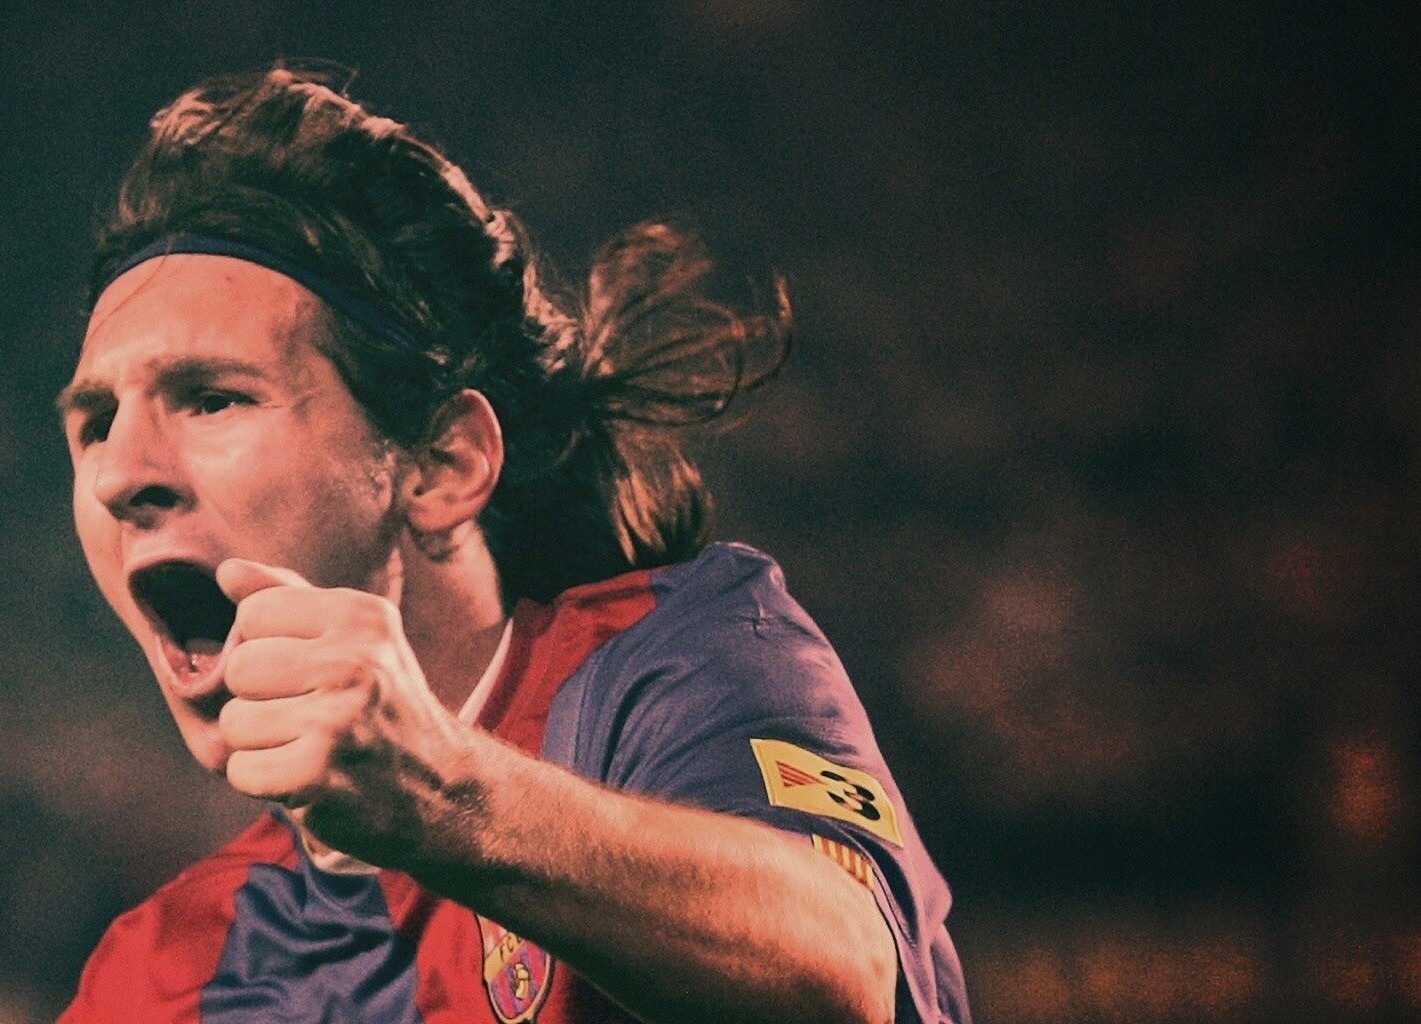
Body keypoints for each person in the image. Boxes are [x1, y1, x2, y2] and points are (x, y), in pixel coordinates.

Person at [51, 67, 966, 1024]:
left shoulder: (671, 660)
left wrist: (446, 796)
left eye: (212, 399)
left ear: (442, 466)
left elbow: (844, 966)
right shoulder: (160, 974)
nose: (118, 475)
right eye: (95, 424)